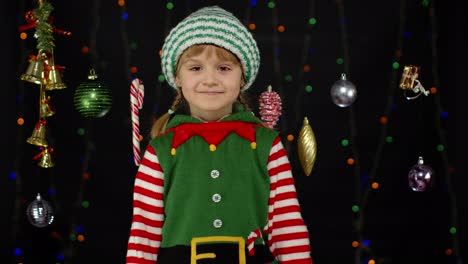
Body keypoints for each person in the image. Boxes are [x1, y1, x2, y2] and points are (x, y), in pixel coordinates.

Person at [126, 5, 313, 264]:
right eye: (195, 68)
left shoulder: (266, 145)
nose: (210, 79)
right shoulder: (160, 150)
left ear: (242, 77)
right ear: (177, 77)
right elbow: (143, 233)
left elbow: (286, 224)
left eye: (224, 68)